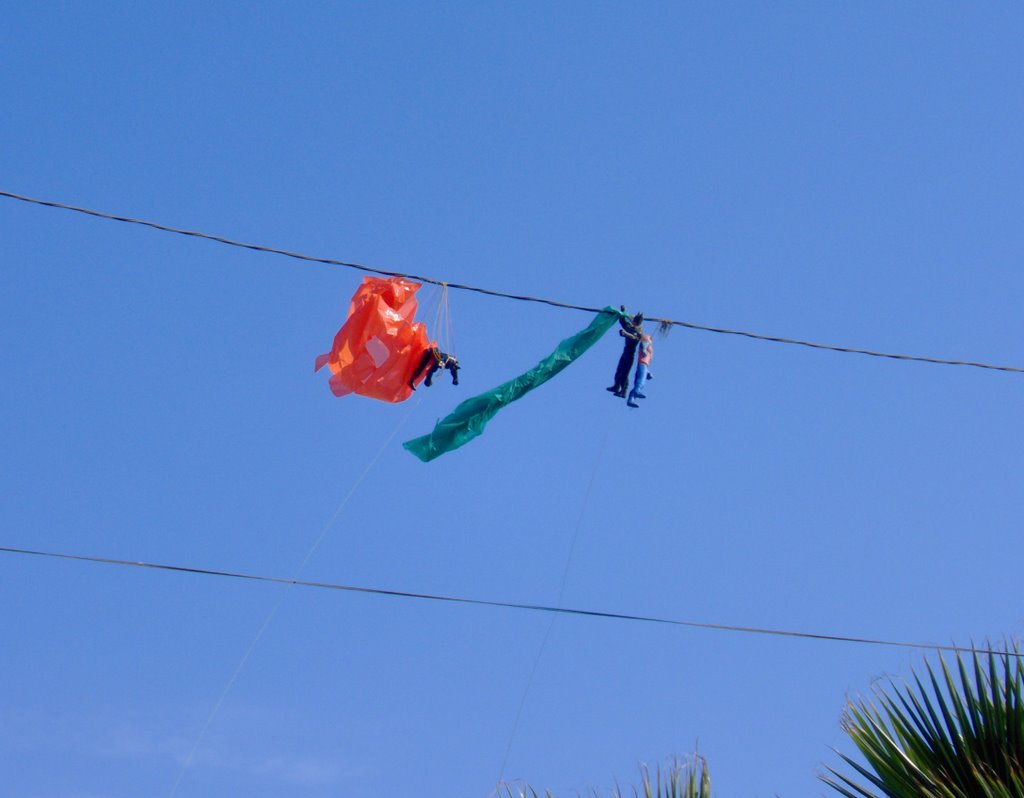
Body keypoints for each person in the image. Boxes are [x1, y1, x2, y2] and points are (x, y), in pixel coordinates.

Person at [606, 311, 643, 398]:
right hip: (625, 353)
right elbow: (623, 322)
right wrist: (622, 312)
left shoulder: (638, 332)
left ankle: (623, 391)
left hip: (630, 355)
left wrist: (626, 334)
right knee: (619, 370)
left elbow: (634, 337)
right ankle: (616, 386)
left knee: (624, 373)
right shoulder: (630, 328)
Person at [626, 333, 653, 408]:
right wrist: (644, 349)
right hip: (642, 364)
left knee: (638, 381)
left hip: (644, 365)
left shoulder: (648, 345)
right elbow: (644, 344)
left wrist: (648, 372)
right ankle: (637, 392)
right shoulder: (646, 341)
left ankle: (631, 399)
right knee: (641, 381)